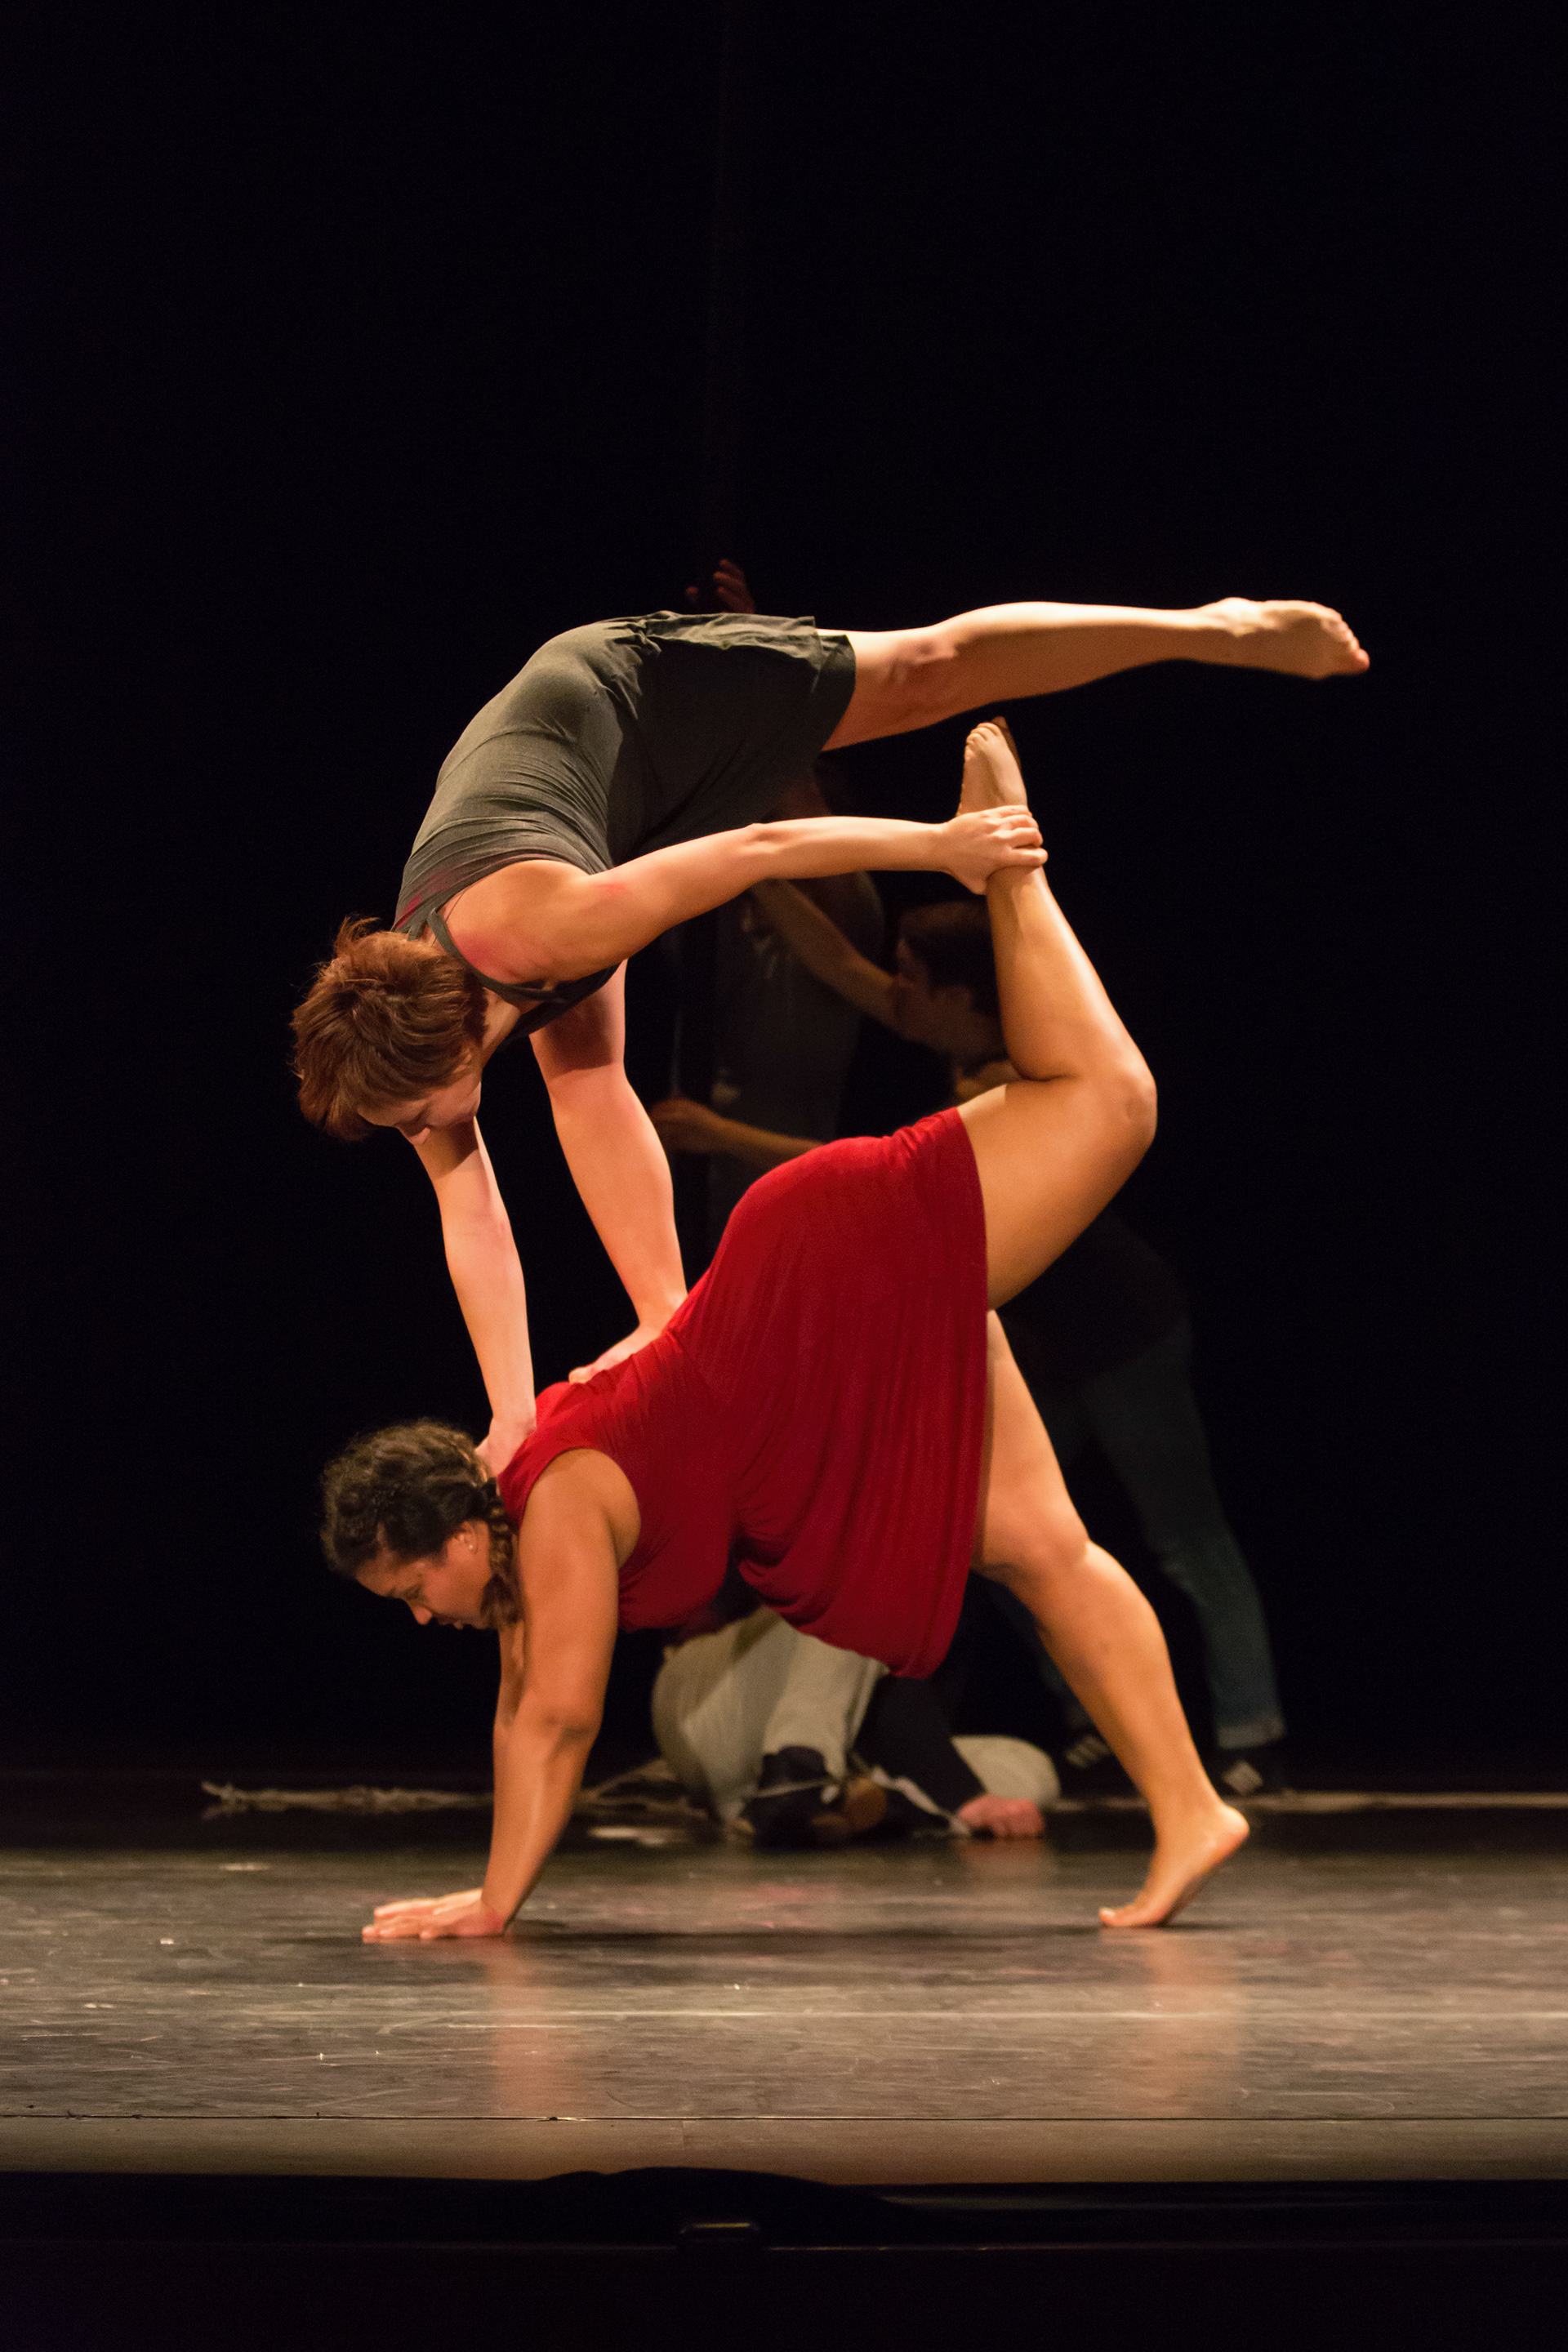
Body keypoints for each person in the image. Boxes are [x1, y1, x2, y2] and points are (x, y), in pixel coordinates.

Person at [321, 720, 1249, 1940]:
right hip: (816, 1372)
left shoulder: (549, 1512)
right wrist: (489, 1887)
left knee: (1110, 1104)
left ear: (458, 1525)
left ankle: (1006, 864)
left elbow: (556, 1717)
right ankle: (1191, 1809)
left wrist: (495, 1905)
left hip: (827, 1281)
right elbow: (518, 1702)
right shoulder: (526, 1535)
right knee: (1040, 1550)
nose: (421, 1614)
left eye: (411, 1585)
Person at [293, 589, 1367, 1388]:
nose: (419, 1134)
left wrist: (939, 844)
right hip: (595, 815)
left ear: (453, 1047)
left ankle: (1216, 626)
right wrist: (514, 1414)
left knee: (931, 670)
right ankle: (669, 1312)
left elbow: (760, 848)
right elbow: (470, 1210)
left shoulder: (543, 927)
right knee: (586, 1079)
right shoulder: (410, 1041)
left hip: (630, 699)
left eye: (415, 1115)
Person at [666, 868, 1288, 1794]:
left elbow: (889, 1190)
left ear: (957, 995)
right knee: (1008, 1545)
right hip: (1026, 1340)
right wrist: (755, 867)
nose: (895, 989)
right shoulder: (944, 1031)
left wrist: (723, 1135)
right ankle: (1096, 1717)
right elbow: (837, 965)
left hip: (1119, 1330)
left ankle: (1250, 1730)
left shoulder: (1013, 1073)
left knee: (1180, 1534)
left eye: (911, 976)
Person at [652, 1597, 1057, 1846]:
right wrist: (963, 1794)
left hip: (827, 1738)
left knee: (1027, 1769)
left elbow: (895, 1697)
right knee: (856, 1582)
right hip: (708, 1699)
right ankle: (795, 1777)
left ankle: (866, 1807)